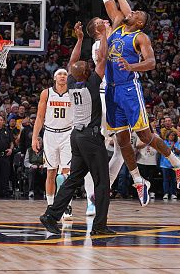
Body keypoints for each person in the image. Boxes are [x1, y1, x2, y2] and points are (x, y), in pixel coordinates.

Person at [102, 0, 180, 207]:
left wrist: (132, 66)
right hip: (111, 89)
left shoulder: (140, 37)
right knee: (121, 140)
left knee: (145, 135)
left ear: (140, 22)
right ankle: (139, 181)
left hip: (129, 89)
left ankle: (176, 163)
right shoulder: (117, 26)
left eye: (137, 12)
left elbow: (151, 63)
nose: (133, 11)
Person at [40, 21, 114, 235]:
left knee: (73, 180)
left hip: (76, 137)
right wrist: (102, 36)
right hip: (90, 138)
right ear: (87, 73)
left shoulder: (72, 83)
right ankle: (100, 226)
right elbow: (102, 58)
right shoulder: (92, 85)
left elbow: (73, 61)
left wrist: (80, 39)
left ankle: (50, 215)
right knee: (102, 182)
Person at [82, 16, 123, 216]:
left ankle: (100, 191)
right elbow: (102, 58)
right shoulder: (100, 43)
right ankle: (91, 196)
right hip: (102, 98)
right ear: (97, 28)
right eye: (101, 21)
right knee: (95, 150)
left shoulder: (113, 39)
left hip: (117, 97)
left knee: (124, 150)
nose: (107, 20)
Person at [32, 68, 73, 218]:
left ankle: (67, 205)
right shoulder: (47, 93)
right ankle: (51, 205)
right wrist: (34, 137)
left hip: (68, 133)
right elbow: (40, 117)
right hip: (50, 134)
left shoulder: (73, 92)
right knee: (51, 172)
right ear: (55, 78)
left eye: (65, 74)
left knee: (66, 172)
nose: (63, 76)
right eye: (60, 74)